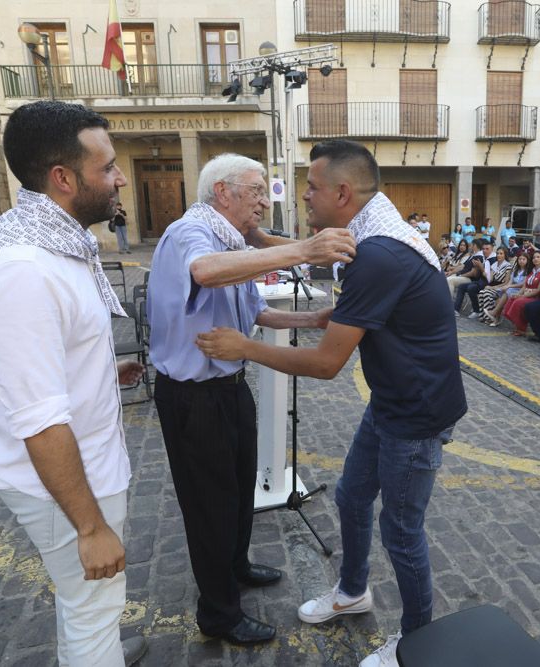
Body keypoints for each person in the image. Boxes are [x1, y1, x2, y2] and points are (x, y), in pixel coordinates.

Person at [197, 139, 467, 667]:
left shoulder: (382, 256)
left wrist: (244, 346)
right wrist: (255, 237)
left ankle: (417, 640)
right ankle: (352, 591)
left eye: (313, 187)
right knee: (350, 497)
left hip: (416, 413)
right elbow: (311, 247)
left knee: (402, 530)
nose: (303, 195)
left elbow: (325, 364)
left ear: (343, 193)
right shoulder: (372, 228)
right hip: (393, 399)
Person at [146, 153, 356, 645]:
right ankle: (218, 614)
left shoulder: (230, 240)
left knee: (239, 490)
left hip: (229, 387)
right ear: (222, 192)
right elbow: (205, 272)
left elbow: (254, 309)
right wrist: (302, 249)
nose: (266, 201)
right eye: (257, 190)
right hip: (193, 397)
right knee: (210, 505)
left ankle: (235, 566)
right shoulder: (190, 233)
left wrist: (311, 319)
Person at [0, 100, 147, 665]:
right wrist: (90, 528)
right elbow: (38, 419)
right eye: (108, 166)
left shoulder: (58, 246)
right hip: (64, 488)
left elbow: (43, 365)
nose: (119, 178)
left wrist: (96, 374)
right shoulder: (22, 270)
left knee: (89, 605)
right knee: (93, 609)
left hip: (84, 466)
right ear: (63, 178)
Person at [503, 252, 540, 335]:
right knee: (513, 298)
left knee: (518, 302)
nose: (535, 259)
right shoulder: (532, 270)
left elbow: (539, 290)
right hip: (526, 295)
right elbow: (525, 285)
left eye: (538, 257)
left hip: (536, 297)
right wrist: (519, 294)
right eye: (534, 257)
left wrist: (522, 296)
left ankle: (521, 328)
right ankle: (517, 326)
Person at [453, 240, 493, 318]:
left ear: (492, 249)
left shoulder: (491, 259)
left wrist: (480, 267)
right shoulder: (482, 257)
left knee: (471, 288)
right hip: (479, 280)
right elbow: (476, 273)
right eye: (483, 249)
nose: (484, 250)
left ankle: (476, 310)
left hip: (486, 283)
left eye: (487, 249)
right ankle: (456, 309)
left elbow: (488, 278)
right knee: (461, 286)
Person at [478, 247, 512, 323]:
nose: (499, 255)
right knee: (481, 293)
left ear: (505, 255)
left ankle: (489, 318)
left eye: (501, 253)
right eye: (497, 253)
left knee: (487, 293)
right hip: (493, 285)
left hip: (501, 287)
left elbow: (506, 282)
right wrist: (485, 272)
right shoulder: (494, 264)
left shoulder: (508, 266)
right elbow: (490, 280)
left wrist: (492, 287)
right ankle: (482, 315)